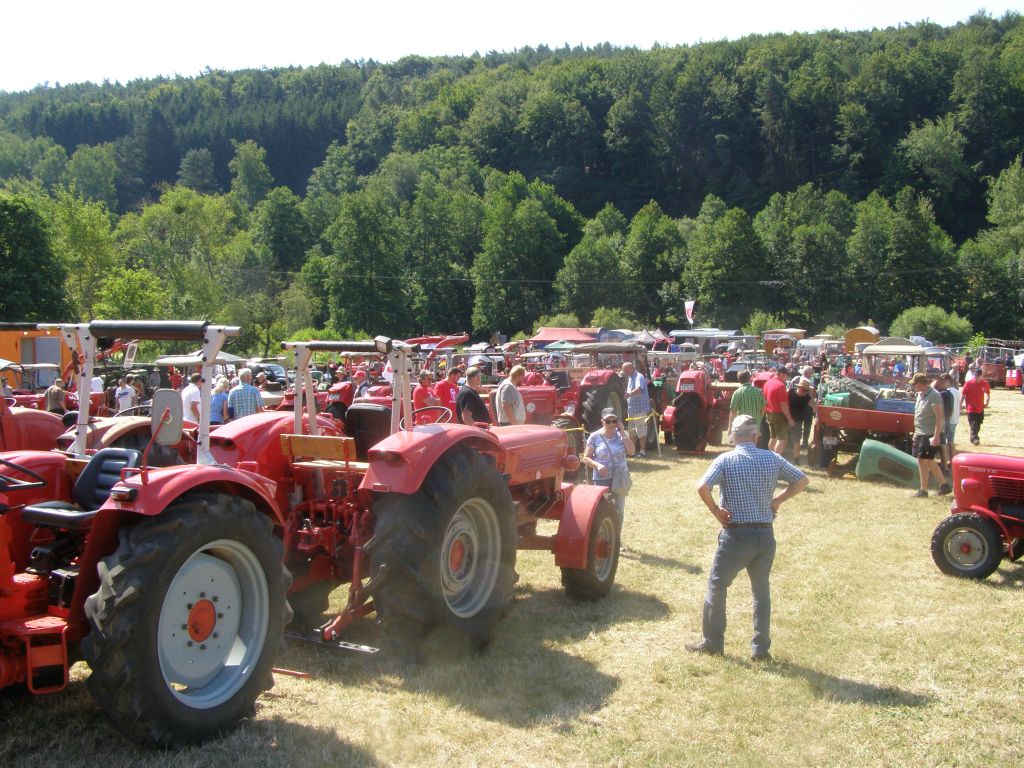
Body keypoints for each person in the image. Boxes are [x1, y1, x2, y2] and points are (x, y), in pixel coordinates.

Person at [686, 414, 808, 661]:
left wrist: (716, 511)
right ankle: (760, 649)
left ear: (732, 437)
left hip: (736, 535)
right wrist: (777, 501)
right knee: (761, 591)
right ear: (756, 436)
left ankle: (712, 642)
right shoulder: (772, 457)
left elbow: (702, 487)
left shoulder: (725, 460)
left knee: (717, 586)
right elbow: (802, 480)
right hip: (764, 533)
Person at [581, 406, 634, 523]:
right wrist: (597, 465)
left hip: (619, 478)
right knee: (601, 513)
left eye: (614, 421)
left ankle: (616, 540)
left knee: (619, 511)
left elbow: (631, 451)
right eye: (608, 421)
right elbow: (585, 458)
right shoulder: (594, 437)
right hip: (601, 479)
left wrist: (623, 432)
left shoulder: (622, 435)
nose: (611, 424)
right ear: (602, 422)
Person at [910, 372, 948, 498]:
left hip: (930, 434)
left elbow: (939, 418)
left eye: (915, 384)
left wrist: (936, 436)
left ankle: (923, 490)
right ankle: (944, 485)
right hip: (920, 433)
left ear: (921, 383)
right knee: (928, 461)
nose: (913, 386)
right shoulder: (920, 395)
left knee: (922, 460)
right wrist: (916, 433)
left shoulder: (934, 396)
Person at [621, 362, 652, 458]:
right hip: (632, 409)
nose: (624, 372)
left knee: (641, 431)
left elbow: (640, 389)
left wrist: (629, 394)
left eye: (625, 370)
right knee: (632, 432)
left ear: (631, 368)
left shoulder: (639, 377)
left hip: (640, 409)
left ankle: (642, 452)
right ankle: (632, 452)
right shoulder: (630, 378)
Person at [762, 367, 794, 455]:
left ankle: (770, 458)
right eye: (787, 376)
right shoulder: (780, 386)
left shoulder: (767, 383)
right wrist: (790, 419)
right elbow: (783, 405)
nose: (787, 378)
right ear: (782, 374)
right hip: (778, 415)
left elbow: (764, 400)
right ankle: (776, 460)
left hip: (769, 413)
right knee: (781, 439)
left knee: (773, 437)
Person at [787, 377, 816, 463]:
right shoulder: (790, 392)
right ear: (799, 388)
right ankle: (780, 456)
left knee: (797, 439)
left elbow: (814, 406)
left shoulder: (807, 397)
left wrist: (817, 408)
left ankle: (796, 459)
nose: (805, 393)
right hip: (786, 417)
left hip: (798, 421)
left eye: (807, 391)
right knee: (783, 438)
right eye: (804, 390)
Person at [960, 365, 990, 446]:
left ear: (981, 376)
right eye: (975, 376)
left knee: (979, 423)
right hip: (971, 407)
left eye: (978, 376)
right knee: (973, 423)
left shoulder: (985, 383)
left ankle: (973, 436)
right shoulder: (969, 383)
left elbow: (987, 393)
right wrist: (960, 404)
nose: (976, 377)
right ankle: (975, 439)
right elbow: (963, 394)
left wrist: (987, 401)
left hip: (980, 407)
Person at [934, 374, 955, 474]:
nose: (938, 385)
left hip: (943, 422)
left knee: (942, 445)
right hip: (946, 420)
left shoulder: (944, 394)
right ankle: (943, 464)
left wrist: (934, 386)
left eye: (940, 383)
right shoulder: (948, 394)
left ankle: (945, 467)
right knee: (942, 444)